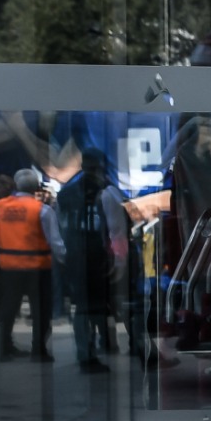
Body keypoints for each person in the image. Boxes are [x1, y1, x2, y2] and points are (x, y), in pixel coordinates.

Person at [52, 150, 129, 372]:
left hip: (74, 255)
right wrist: (120, 261)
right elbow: (116, 230)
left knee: (82, 307)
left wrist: (64, 256)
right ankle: (95, 349)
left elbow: (59, 228)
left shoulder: (66, 193)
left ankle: (86, 351)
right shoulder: (106, 191)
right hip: (97, 256)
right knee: (97, 305)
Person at [0, 167, 56, 361]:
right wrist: (62, 260)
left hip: (9, 266)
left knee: (8, 308)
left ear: (16, 186)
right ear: (36, 187)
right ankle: (38, 349)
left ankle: (3, 347)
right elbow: (55, 241)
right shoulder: (42, 210)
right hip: (38, 267)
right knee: (40, 309)